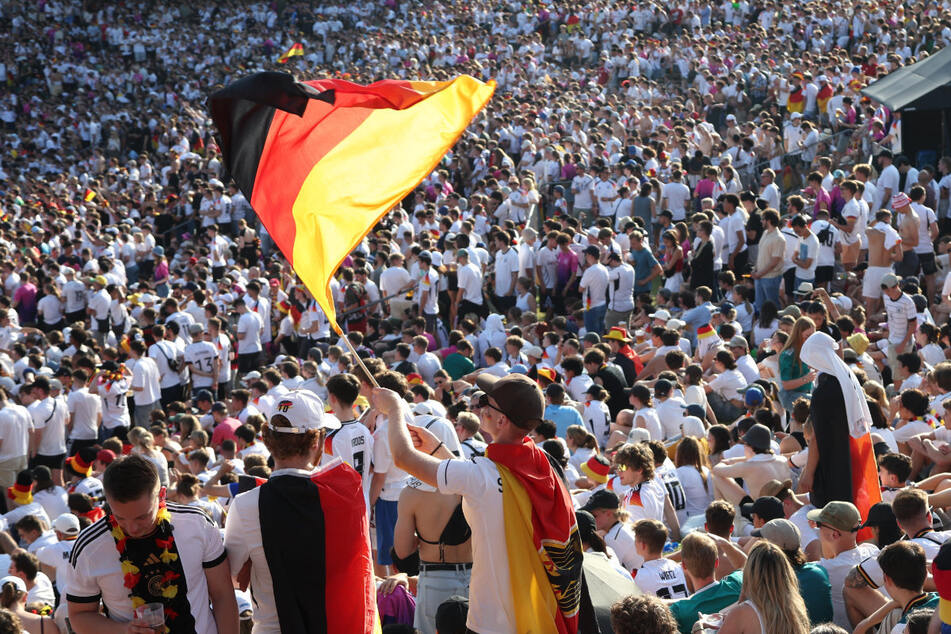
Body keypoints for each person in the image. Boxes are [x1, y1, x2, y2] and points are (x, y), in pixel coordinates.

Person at [375, 373, 597, 633]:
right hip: (537, 612)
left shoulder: (482, 475)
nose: (479, 406)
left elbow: (402, 458)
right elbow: (487, 487)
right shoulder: (542, 462)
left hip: (493, 622)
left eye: (485, 402)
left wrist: (395, 409)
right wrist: (437, 449)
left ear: (501, 420)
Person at [224, 389, 377, 633]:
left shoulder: (245, 505)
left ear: (267, 439)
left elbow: (231, 579)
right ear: (316, 441)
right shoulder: (348, 496)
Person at [66, 454, 239, 634]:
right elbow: (79, 616)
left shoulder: (196, 524)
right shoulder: (89, 547)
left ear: (162, 495)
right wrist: (125, 630)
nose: (132, 528)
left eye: (142, 516)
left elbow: (222, 595)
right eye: (120, 517)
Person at [669, 532, 743, 634]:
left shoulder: (679, 610)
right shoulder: (737, 584)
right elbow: (745, 564)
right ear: (717, 562)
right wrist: (725, 544)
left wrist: (664, 560)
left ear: (684, 566)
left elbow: (652, 604)